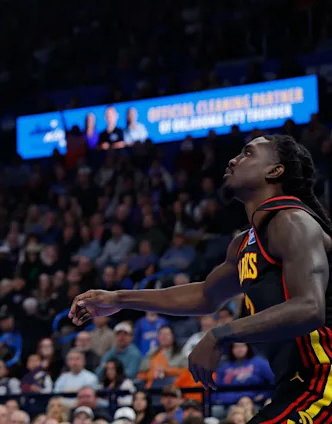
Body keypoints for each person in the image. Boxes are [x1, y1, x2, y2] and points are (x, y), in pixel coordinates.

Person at [71, 136, 332, 424]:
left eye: (248, 153)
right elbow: (205, 296)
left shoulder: (292, 222)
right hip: (296, 385)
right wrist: (119, 299)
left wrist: (221, 334)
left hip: (324, 380)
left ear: (275, 171)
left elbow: (310, 307)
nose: (233, 159)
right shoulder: (244, 244)